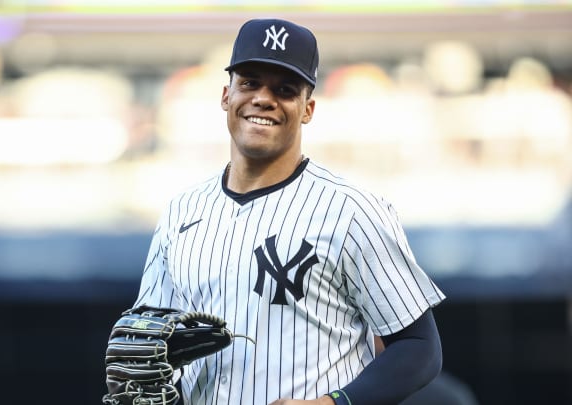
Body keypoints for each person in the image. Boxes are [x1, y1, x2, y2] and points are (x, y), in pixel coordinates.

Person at [131, 18, 446, 404]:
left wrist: (333, 404)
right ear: (226, 96)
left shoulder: (352, 211)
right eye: (249, 82)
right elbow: (146, 340)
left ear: (308, 109)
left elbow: (419, 347)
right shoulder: (181, 211)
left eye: (284, 89)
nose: (264, 98)